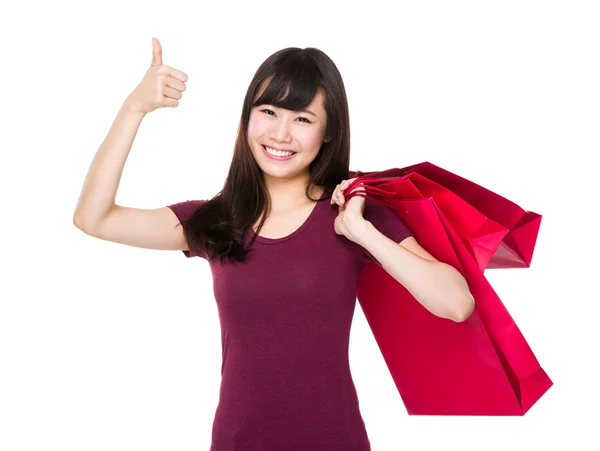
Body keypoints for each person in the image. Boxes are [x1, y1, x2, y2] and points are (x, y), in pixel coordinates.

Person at [73, 37, 474, 450]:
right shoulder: (215, 220)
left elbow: (456, 303)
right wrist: (134, 108)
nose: (280, 134)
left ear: (329, 131)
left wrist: (364, 233)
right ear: (248, 118)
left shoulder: (353, 214)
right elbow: (93, 218)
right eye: (268, 112)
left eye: (302, 119)